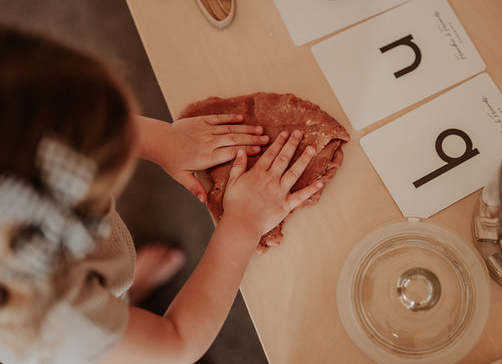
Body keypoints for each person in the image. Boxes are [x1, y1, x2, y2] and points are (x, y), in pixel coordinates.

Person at [0, 27, 323, 364]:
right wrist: (243, 222)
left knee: (109, 295)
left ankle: (118, 296)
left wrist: (166, 140)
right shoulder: (54, 318)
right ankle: (114, 308)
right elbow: (178, 343)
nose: (124, 137)